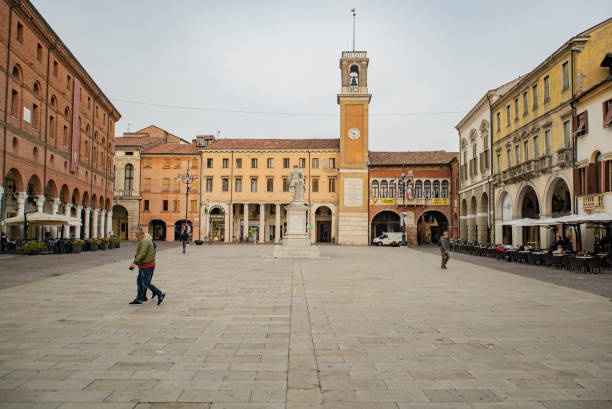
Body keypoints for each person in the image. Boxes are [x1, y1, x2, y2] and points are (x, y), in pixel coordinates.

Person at [129, 227, 165, 305]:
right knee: (139, 282)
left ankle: (159, 293)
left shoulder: (144, 241)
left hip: (147, 265)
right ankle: (139, 298)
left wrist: (134, 262)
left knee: (145, 283)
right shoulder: (144, 240)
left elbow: (142, 253)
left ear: (139, 234)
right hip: (145, 265)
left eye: (136, 234)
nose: (135, 235)